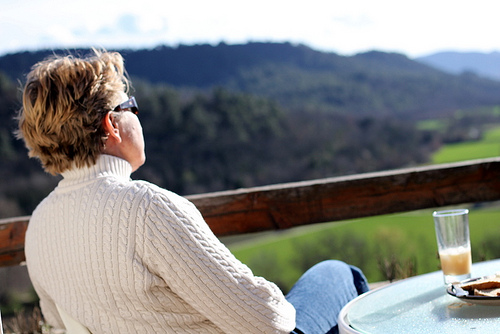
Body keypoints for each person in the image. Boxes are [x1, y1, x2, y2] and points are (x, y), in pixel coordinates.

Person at [16, 49, 369, 334]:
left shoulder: (40, 226)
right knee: (339, 274)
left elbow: (61, 326)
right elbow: (269, 324)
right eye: (130, 107)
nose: (138, 116)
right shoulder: (146, 209)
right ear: (112, 125)